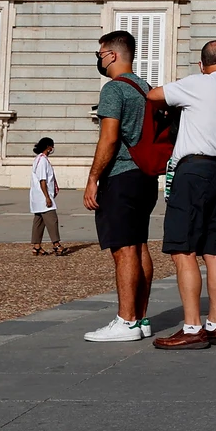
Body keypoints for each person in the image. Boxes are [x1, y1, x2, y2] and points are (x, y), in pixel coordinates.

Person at [149, 39, 216, 350]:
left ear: (201, 64)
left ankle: (193, 326)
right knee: (215, 252)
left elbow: (154, 96)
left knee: (183, 249)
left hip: (192, 171)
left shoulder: (196, 83)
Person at [82, 30, 158, 343]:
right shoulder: (146, 88)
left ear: (112, 55)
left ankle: (126, 321)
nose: (99, 60)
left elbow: (109, 137)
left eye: (100, 55)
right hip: (145, 177)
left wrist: (93, 177)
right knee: (139, 245)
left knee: (124, 249)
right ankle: (139, 317)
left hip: (121, 175)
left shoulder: (113, 89)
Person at [29, 137, 62, 256]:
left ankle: (36, 246)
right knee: (52, 220)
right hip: (43, 195)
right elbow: (42, 180)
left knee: (39, 220)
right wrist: (47, 197)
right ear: (48, 147)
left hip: (37, 195)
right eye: (52, 146)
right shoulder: (42, 160)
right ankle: (56, 245)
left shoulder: (38, 159)